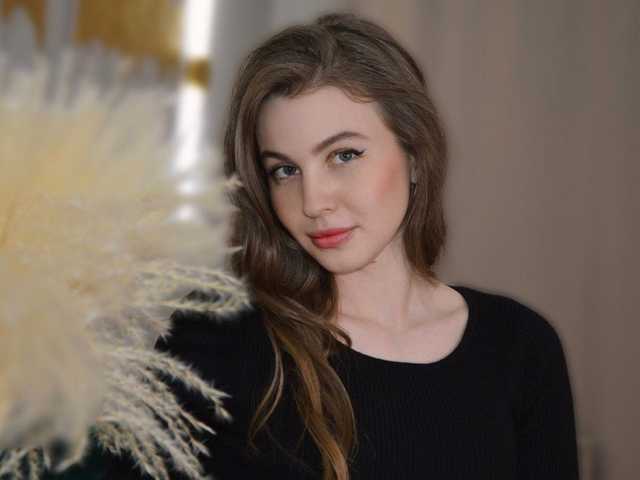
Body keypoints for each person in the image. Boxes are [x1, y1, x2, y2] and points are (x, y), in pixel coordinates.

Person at [107, 11, 579, 480]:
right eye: (285, 170)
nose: (313, 201)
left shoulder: (518, 348)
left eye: (344, 155)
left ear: (415, 155)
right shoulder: (215, 339)